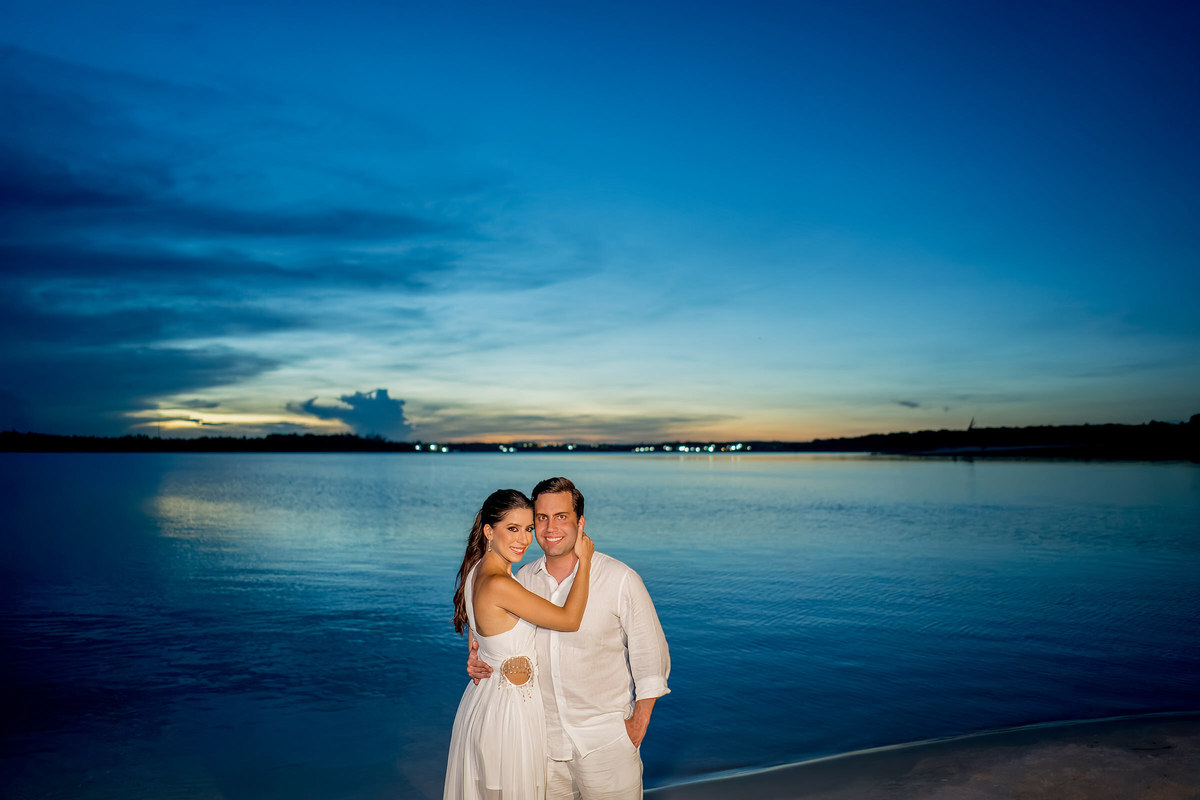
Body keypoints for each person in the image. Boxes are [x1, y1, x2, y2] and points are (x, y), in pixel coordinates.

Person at [467, 477, 670, 800]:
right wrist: (481, 658)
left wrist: (636, 726)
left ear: (580, 522)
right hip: (542, 745)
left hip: (605, 743)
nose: (550, 528)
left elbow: (651, 655)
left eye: (561, 516)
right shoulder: (523, 579)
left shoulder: (620, 579)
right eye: (541, 518)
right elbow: (496, 629)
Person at [444, 489, 595, 800]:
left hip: (487, 701)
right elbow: (569, 620)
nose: (524, 540)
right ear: (489, 531)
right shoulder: (500, 583)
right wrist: (585, 562)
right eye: (512, 529)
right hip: (508, 713)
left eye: (528, 528)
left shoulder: (476, 573)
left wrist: (477, 657)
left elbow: (478, 641)